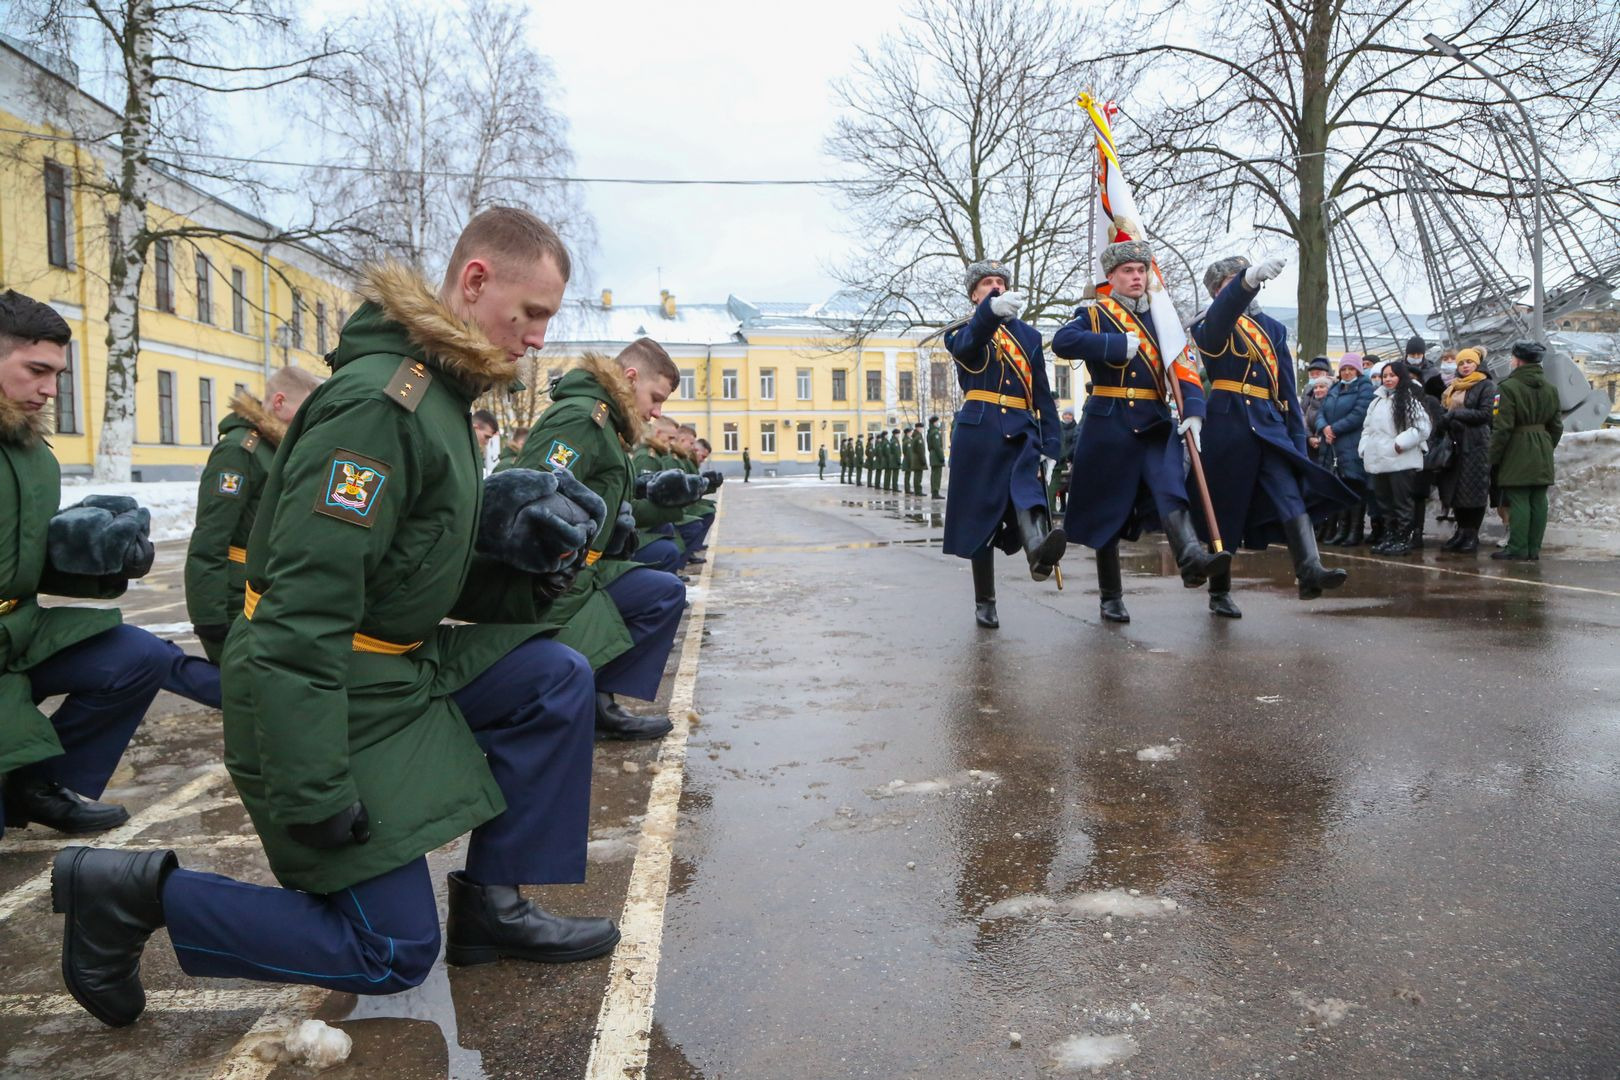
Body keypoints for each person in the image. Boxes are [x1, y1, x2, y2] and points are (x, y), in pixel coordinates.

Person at [50, 210, 622, 1028]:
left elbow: (419, 578)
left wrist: (531, 570)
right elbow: (298, 612)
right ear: (474, 282)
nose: (535, 339)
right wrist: (312, 784)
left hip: (392, 676)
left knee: (550, 676)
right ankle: (137, 894)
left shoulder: (439, 400)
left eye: (545, 322)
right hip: (332, 700)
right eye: (529, 314)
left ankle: (492, 906)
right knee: (389, 954)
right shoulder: (383, 408)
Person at [1, 291, 213, 840]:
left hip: (17, 631)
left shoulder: (33, 456)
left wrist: (95, 553)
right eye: (36, 370)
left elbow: (22, 560)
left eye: (56, 373)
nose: (50, 389)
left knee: (137, 656)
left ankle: (38, 785)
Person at [514, 338, 695, 739]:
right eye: (656, 397)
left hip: (584, 568)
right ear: (630, 378)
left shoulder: (608, 424)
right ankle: (579, 698)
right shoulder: (583, 419)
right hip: (556, 580)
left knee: (663, 592)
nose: (658, 411)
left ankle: (599, 698)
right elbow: (531, 496)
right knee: (660, 588)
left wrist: (617, 524)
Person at [1054, 239, 1222, 624]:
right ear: (1111, 277)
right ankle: (1110, 596)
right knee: (1107, 508)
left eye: (1141, 271)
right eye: (1128, 271)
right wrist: (1113, 345)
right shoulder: (1094, 314)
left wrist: (1195, 410)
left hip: (1153, 418)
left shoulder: (1163, 318)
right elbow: (1063, 343)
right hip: (1107, 418)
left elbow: (1185, 368)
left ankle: (1191, 557)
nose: (1136, 277)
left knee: (1169, 484)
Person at [1189, 255, 1352, 616]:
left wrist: (1296, 444)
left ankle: (1309, 570)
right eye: (1234, 282)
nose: (1244, 285)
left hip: (1269, 423)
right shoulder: (1210, 325)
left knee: (1289, 493)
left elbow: (1287, 392)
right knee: (1225, 510)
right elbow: (1221, 323)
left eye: (1244, 279)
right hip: (1228, 424)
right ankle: (1220, 591)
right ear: (1219, 291)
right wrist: (1244, 283)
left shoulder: (1274, 329)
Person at [941, 260, 1066, 628]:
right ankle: (986, 601)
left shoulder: (1028, 336)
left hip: (1022, 428)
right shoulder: (961, 331)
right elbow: (968, 348)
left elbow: (1042, 395)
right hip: (979, 432)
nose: (995, 287)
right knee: (982, 518)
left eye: (1000, 282)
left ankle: (1039, 554)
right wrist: (989, 314)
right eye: (987, 284)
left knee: (1027, 490)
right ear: (974, 294)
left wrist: (1052, 446)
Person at [185, 367, 321, 663]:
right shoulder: (239, 450)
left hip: (267, 593)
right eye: (305, 410)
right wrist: (208, 616)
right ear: (279, 402)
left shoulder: (276, 449)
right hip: (238, 597)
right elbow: (210, 536)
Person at [1489, 340, 1562, 561]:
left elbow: (1502, 428)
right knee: (1538, 499)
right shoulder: (1551, 388)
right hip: (1542, 446)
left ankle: (1518, 547)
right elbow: (1557, 426)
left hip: (1516, 448)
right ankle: (1533, 548)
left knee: (1518, 498)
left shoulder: (1507, 387)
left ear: (1518, 360)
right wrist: (1546, 445)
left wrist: (1493, 456)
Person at [1359, 359, 1432, 556]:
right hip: (1380, 460)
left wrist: (1400, 443)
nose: (1388, 379)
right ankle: (1390, 536)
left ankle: (1402, 538)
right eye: (1385, 376)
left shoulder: (1409, 400)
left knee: (1401, 502)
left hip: (1401, 460)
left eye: (1392, 375)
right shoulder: (1376, 402)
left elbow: (1422, 428)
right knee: (1385, 502)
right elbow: (1367, 428)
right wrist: (1364, 447)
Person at [1435, 346, 1496, 554]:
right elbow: (1446, 411)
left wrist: (1456, 415)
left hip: (1476, 444)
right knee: (1457, 491)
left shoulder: (1485, 385)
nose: (1465, 366)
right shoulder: (1454, 387)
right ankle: (1461, 531)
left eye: (1468, 362)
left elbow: (1485, 414)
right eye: (1461, 363)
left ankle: (1472, 534)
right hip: (1455, 444)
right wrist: (1444, 419)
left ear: (1476, 364)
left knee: (1474, 491)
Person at [1316, 355, 1376, 546]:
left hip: (1351, 444)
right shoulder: (1335, 387)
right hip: (1331, 445)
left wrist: (1334, 429)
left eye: (1351, 368)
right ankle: (1341, 530)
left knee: (1354, 487)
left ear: (1358, 370)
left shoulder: (1365, 387)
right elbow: (1321, 412)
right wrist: (1324, 427)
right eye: (1343, 369)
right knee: (1338, 488)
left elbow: (1359, 414)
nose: (1347, 372)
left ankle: (1354, 530)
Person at [927, 415, 945, 498]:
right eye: (937, 422)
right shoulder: (935, 433)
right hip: (936, 456)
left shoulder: (930, 432)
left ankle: (934, 492)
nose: (938, 423)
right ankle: (935, 492)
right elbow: (937, 446)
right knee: (937, 475)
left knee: (934, 474)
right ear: (934, 423)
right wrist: (941, 457)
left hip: (932, 455)